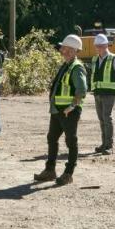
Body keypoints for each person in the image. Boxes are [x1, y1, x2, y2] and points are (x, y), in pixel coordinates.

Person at [34, 34, 87, 186]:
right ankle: (50, 170)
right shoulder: (67, 65)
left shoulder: (76, 68)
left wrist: (71, 107)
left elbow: (82, 90)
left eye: (63, 48)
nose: (61, 50)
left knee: (71, 141)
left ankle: (68, 173)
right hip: (58, 110)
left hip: (68, 111)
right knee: (52, 138)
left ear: (71, 50)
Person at [90, 33, 115, 154]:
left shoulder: (114, 59)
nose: (98, 48)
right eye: (97, 46)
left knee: (107, 117)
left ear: (106, 45)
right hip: (98, 93)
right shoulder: (95, 59)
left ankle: (109, 145)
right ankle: (104, 144)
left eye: (100, 45)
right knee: (101, 119)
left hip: (109, 94)